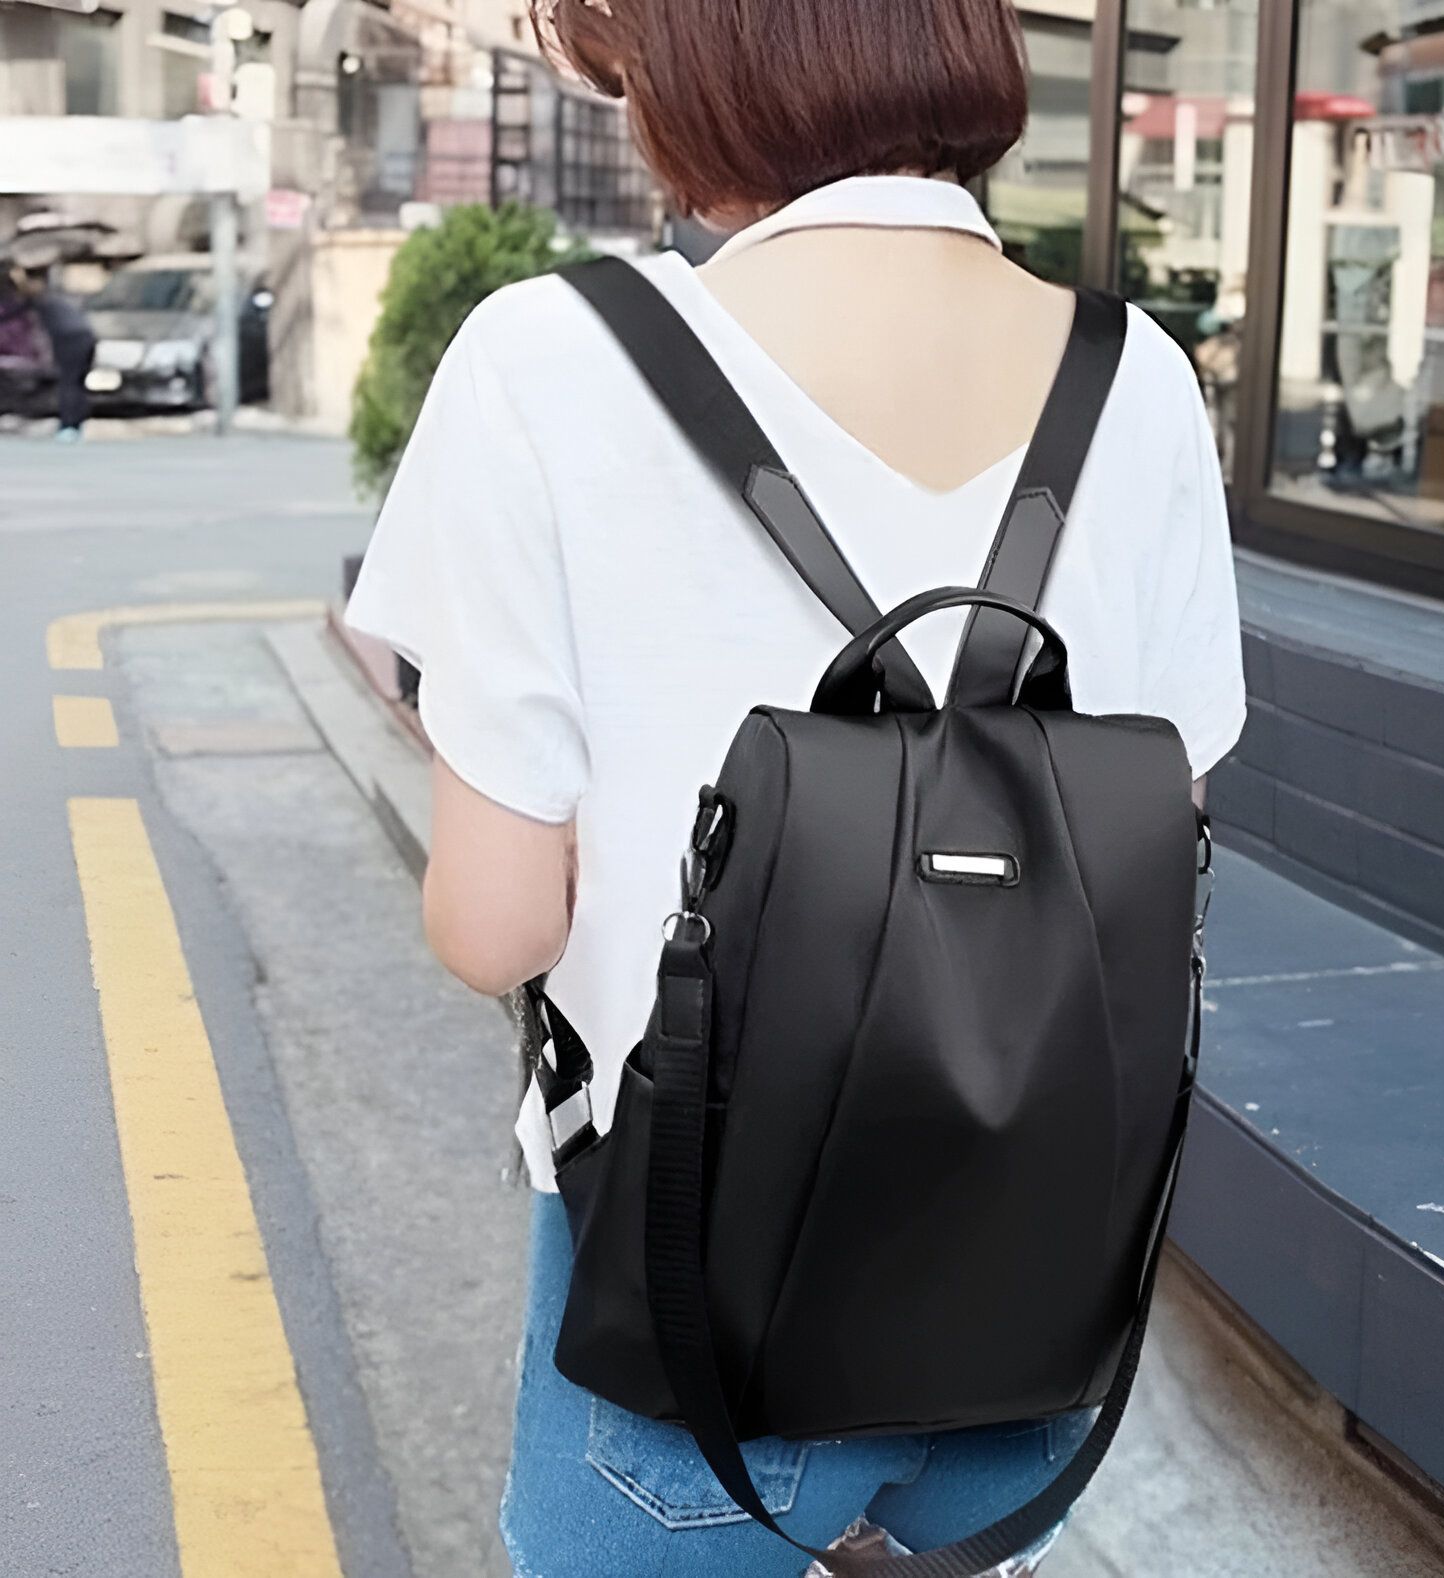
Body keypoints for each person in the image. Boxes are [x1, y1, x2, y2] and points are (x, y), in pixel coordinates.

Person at [345, 1, 1246, 1573]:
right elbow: (1151, 833)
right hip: (1018, 1296)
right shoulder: (1140, 378)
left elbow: (495, 928)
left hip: (696, 1320)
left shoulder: (545, 358)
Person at [11, 265, 96, 441]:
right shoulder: (54, 296)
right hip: (86, 335)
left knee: (69, 382)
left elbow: (16, 308)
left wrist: (17, 278)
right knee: (77, 381)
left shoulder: (39, 297)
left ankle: (68, 426)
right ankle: (75, 424)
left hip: (70, 339)